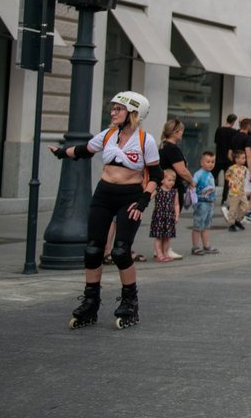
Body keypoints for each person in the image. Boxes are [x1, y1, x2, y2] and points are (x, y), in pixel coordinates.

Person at [50, 91, 160, 330]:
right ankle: (91, 302)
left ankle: (130, 301)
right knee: (93, 249)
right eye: (113, 108)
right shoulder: (108, 134)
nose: (113, 112)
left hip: (130, 198)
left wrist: (143, 201)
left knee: (121, 251)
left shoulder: (145, 141)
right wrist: (61, 152)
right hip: (104, 195)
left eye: (118, 109)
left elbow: (156, 175)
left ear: (133, 113)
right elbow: (84, 151)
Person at [158, 118, 195, 258]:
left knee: (164, 219)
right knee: (171, 218)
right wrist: (192, 181)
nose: (182, 135)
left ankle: (160, 249)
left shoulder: (163, 146)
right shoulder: (172, 148)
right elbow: (182, 170)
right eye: (181, 132)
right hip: (173, 186)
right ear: (175, 132)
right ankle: (166, 250)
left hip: (164, 187)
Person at [191, 151, 219, 255]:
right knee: (198, 225)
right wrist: (192, 195)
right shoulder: (199, 173)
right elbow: (193, 183)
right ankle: (195, 247)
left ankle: (206, 245)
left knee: (207, 226)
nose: (211, 164)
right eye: (208, 161)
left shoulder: (210, 174)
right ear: (202, 163)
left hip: (209, 203)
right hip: (201, 203)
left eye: (213, 161)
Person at [149, 172, 179, 261]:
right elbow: (148, 197)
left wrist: (177, 216)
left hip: (169, 217)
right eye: (169, 180)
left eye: (173, 180)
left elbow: (176, 204)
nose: (172, 182)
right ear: (162, 180)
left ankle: (165, 252)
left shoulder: (174, 192)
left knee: (167, 237)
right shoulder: (157, 190)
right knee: (158, 236)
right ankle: (159, 254)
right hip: (159, 217)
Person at [224, 149, 250, 232]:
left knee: (245, 207)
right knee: (233, 208)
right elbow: (226, 176)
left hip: (242, 192)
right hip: (234, 191)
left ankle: (237, 220)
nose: (244, 160)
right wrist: (230, 181)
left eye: (244, 158)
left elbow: (245, 178)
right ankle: (231, 223)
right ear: (237, 159)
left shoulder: (244, 169)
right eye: (242, 158)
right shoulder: (232, 168)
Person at [214, 113, 237, 203]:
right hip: (229, 159)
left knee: (212, 176)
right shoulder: (234, 132)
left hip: (219, 156)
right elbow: (233, 145)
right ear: (233, 122)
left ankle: (207, 193)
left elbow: (216, 142)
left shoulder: (219, 130)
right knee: (227, 180)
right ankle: (224, 198)